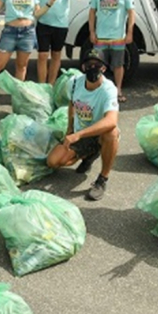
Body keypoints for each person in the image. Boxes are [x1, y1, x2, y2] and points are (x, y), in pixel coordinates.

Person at [46, 48, 119, 201]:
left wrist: (77, 135)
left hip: (98, 133)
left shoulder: (108, 89)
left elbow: (111, 120)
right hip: (81, 133)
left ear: (104, 68)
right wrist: (70, 129)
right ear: (83, 67)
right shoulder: (74, 83)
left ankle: (102, 179)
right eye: (89, 64)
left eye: (97, 65)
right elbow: (72, 103)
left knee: (112, 133)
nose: (93, 68)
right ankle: (89, 154)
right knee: (53, 161)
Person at [28, 0, 83, 85]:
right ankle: (42, 85)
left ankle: (51, 84)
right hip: (43, 21)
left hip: (60, 23)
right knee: (42, 55)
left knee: (56, 55)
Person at [88, 0, 136, 103]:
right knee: (97, 65)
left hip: (118, 37)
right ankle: (99, 91)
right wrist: (92, 31)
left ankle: (118, 90)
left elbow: (131, 12)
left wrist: (130, 32)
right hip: (100, 37)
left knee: (118, 65)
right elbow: (92, 12)